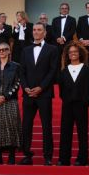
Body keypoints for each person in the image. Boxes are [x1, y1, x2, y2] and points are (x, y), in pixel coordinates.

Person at [19, 23, 58, 166]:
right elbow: (22, 71)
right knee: (26, 126)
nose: (36, 32)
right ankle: (27, 154)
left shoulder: (52, 49)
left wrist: (41, 87)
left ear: (45, 33)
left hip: (45, 93)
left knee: (46, 126)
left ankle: (48, 156)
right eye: (34, 30)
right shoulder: (25, 50)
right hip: (28, 94)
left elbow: (53, 71)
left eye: (39, 30)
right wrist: (26, 88)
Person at [0, 43, 22, 165]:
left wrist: (5, 96)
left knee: (11, 128)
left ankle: (11, 156)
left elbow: (17, 83)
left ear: (9, 51)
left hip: (10, 101)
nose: (2, 51)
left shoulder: (16, 66)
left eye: (4, 49)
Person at [57, 41, 89, 166]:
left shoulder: (86, 69)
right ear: (67, 55)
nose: (73, 54)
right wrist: (67, 99)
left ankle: (82, 159)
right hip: (67, 105)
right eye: (70, 52)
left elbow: (88, 87)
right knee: (65, 132)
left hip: (81, 105)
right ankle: (63, 159)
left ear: (80, 53)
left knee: (82, 132)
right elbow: (61, 90)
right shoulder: (63, 71)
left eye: (75, 51)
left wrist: (84, 100)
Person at [52, 3, 76, 73]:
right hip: (56, 44)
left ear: (68, 10)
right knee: (56, 61)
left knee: (68, 60)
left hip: (68, 43)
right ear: (60, 10)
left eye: (66, 8)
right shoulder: (55, 19)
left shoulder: (72, 19)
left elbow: (72, 31)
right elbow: (53, 31)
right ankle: (57, 78)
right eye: (62, 8)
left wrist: (63, 38)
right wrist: (58, 38)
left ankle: (68, 76)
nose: (64, 10)